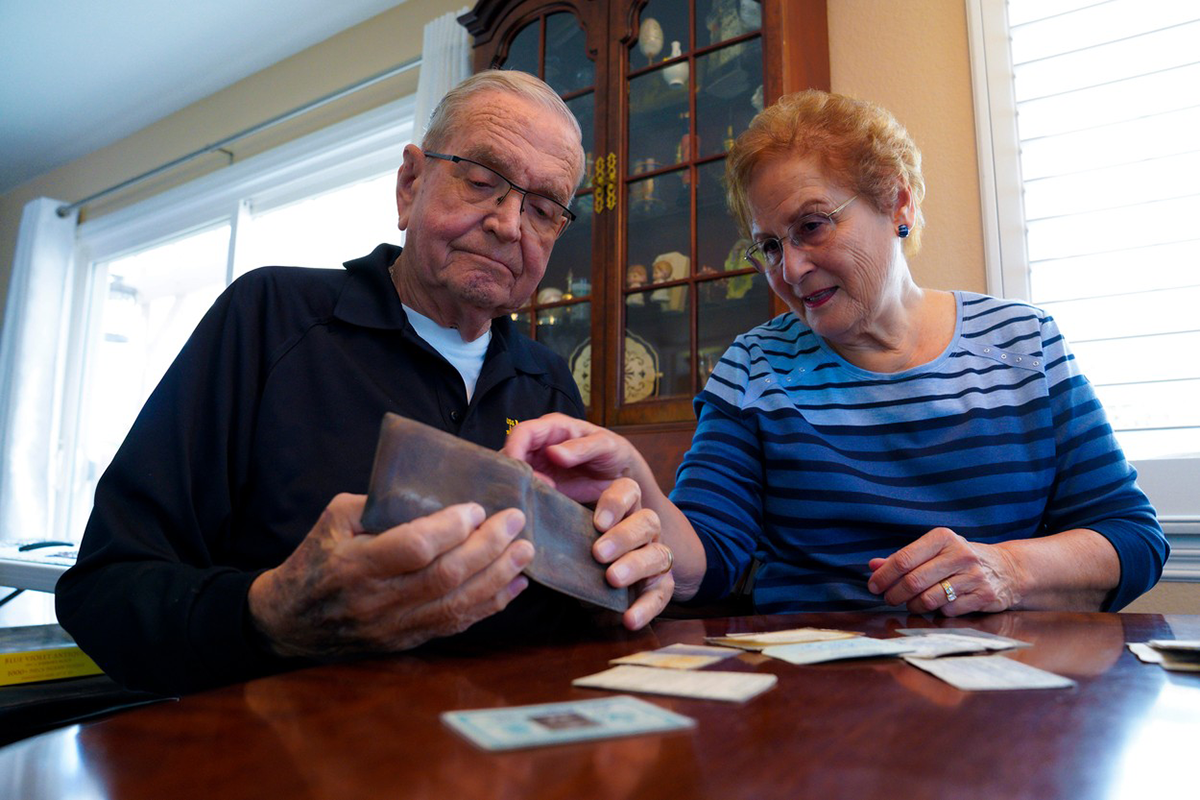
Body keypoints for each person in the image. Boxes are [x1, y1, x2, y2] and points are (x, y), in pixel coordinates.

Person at [55, 70, 674, 695]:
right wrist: (270, 612)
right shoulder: (269, 318)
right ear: (410, 184)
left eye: (542, 209)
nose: (510, 224)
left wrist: (613, 584)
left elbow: (575, 613)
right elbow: (104, 591)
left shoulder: (549, 384)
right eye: (482, 181)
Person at [504, 89, 1168, 617]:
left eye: (813, 226)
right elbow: (708, 561)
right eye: (768, 246)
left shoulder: (1026, 344)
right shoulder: (754, 370)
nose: (790, 269)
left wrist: (1010, 570)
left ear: (897, 202)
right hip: (815, 711)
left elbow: (1132, 540)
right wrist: (638, 484)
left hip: (1007, 709)